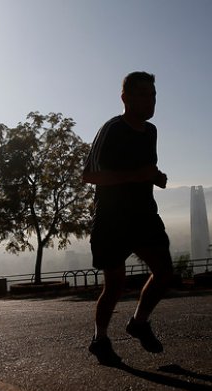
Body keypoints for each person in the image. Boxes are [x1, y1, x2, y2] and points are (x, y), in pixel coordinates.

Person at [83, 71, 174, 365]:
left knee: (164, 272)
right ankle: (100, 339)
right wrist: (138, 175)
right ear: (126, 98)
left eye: (154, 95)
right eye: (145, 94)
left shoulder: (151, 132)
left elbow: (145, 168)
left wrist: (156, 177)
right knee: (115, 285)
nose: (151, 101)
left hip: (144, 214)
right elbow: (90, 175)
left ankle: (139, 322)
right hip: (111, 218)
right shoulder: (112, 129)